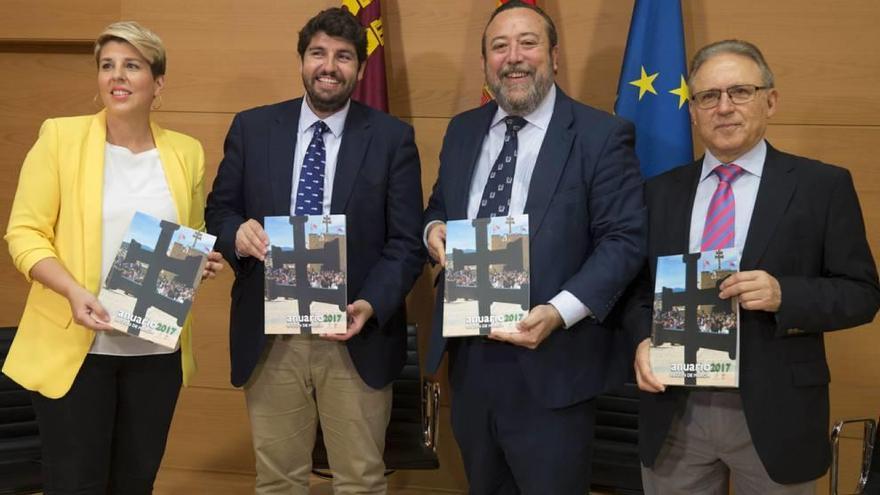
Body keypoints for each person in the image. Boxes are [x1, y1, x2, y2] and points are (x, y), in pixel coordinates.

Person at [631, 39, 880, 494]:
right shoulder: (659, 192)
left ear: (771, 100)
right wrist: (642, 340)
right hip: (675, 411)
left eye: (739, 92)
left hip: (775, 413)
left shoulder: (821, 186)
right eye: (708, 96)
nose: (723, 107)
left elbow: (862, 294)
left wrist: (786, 294)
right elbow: (636, 293)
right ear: (692, 110)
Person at [422, 1, 646, 492]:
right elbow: (439, 204)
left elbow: (624, 240)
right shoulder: (463, 131)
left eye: (528, 43)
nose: (513, 57)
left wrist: (557, 311)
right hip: (471, 362)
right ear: (485, 63)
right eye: (499, 47)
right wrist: (433, 228)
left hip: (555, 362)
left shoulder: (600, 135)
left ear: (554, 55)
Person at [204, 7, 424, 494]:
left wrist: (370, 304)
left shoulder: (392, 139)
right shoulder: (252, 128)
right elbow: (217, 213)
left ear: (360, 69)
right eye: (318, 53)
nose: (330, 66)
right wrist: (236, 233)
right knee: (279, 480)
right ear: (302, 60)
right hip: (271, 336)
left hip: (355, 335)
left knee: (361, 480)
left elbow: (407, 243)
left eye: (344, 56)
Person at [3, 21, 222, 494]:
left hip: (156, 352)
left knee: (135, 483)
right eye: (107, 66)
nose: (116, 76)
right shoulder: (60, 138)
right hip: (78, 351)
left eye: (132, 65)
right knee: (76, 484)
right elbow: (24, 234)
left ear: (157, 83)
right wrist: (72, 290)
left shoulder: (185, 152)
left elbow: (192, 232)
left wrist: (198, 263)